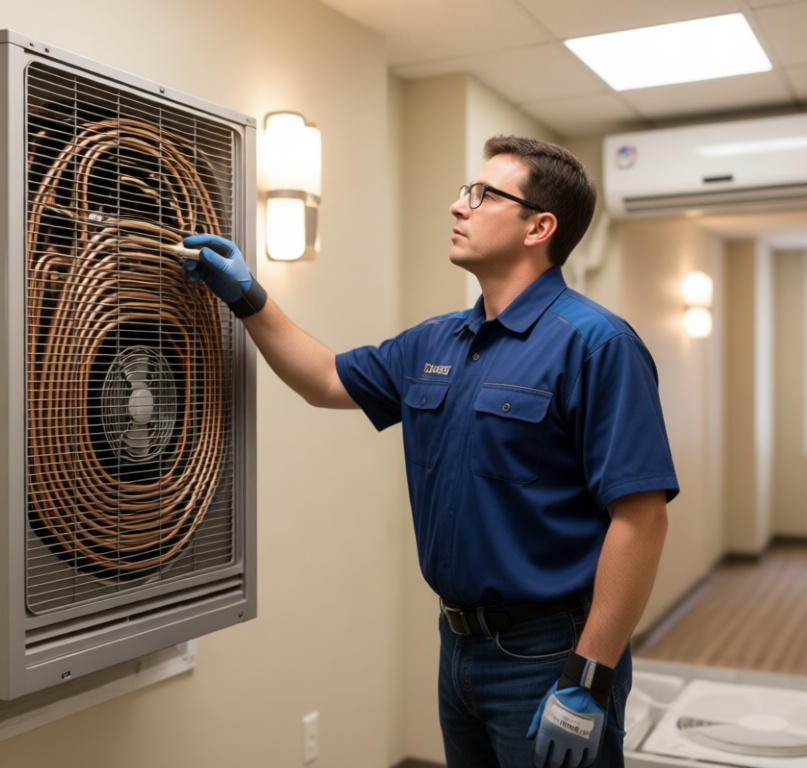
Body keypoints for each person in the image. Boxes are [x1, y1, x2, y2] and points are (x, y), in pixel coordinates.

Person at [182, 135, 678, 768]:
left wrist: (590, 679)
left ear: (540, 227)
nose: (457, 206)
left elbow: (642, 520)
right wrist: (246, 295)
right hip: (458, 648)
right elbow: (327, 379)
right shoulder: (438, 341)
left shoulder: (597, 345)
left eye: (481, 194)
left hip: (551, 654)